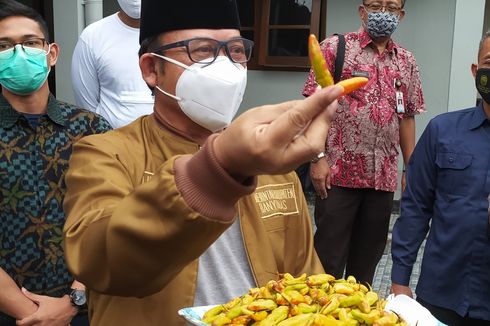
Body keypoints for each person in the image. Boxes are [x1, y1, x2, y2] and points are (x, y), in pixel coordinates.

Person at [60, 0, 348, 324]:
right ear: (151, 69)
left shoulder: (275, 168)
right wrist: (219, 168)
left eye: (236, 51)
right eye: (201, 50)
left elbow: (308, 286)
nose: (224, 65)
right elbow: (100, 263)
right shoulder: (105, 154)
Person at [0, 1, 112, 325]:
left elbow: (115, 218)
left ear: (51, 53)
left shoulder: (91, 129)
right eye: (4, 46)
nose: (18, 53)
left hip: (86, 307)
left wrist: (74, 300)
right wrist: (34, 314)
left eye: (31, 42)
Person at [302, 0, 425, 285]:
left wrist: (411, 169)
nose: (384, 12)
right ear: (362, 11)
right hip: (337, 174)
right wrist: (317, 157)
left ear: (401, 15)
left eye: (391, 7)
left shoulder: (406, 61)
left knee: (368, 259)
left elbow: (407, 117)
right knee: (328, 259)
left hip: (381, 179)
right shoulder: (335, 48)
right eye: (376, 5)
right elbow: (312, 106)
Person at [390, 31, 490, 325]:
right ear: (476, 71)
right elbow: (415, 208)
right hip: (442, 294)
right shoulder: (442, 131)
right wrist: (399, 281)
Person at [71, 0, 154, 128]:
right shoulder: (92, 37)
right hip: (111, 144)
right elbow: (87, 108)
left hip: (167, 142)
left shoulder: (174, 33)